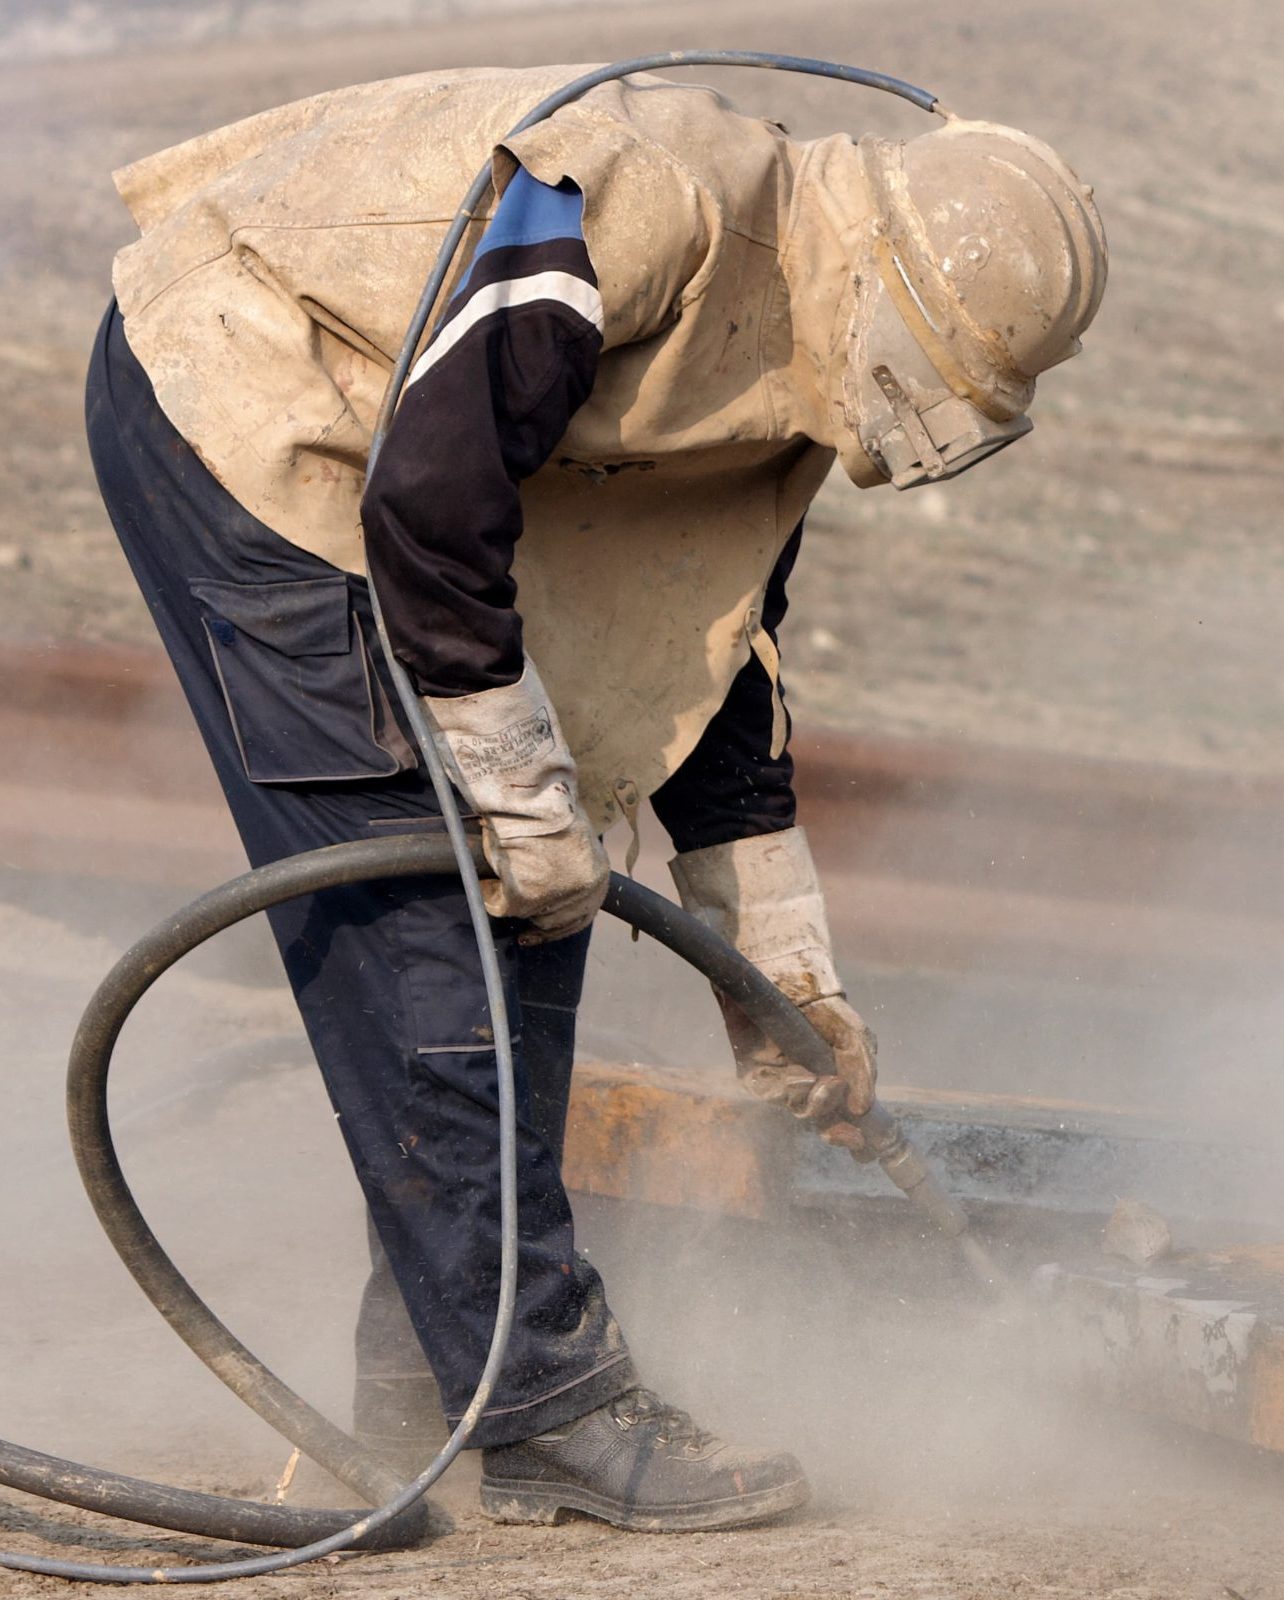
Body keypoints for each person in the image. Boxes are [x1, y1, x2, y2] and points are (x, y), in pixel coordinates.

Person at [84, 63, 1107, 1533]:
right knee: (426, 905)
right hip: (255, 403)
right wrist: (513, 794)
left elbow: (703, 640)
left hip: (423, 478)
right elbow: (428, 505)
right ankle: (546, 1402)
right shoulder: (634, 208)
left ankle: (422, 1391)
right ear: (886, 290)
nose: (903, 433)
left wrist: (782, 976)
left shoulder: (806, 332)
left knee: (526, 910)